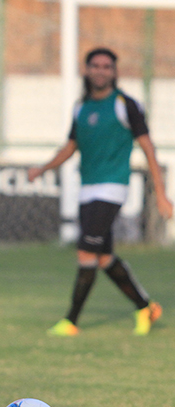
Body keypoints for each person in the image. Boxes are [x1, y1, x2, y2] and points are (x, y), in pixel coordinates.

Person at [28, 47, 173, 337]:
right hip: (87, 188)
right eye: (96, 66)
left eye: (107, 66)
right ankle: (145, 306)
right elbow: (70, 147)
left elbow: (147, 146)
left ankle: (71, 321)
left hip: (112, 186)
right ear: (88, 70)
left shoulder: (125, 105)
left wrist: (160, 193)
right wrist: (43, 168)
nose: (101, 71)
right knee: (103, 256)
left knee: (86, 251)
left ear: (114, 72)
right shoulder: (81, 108)